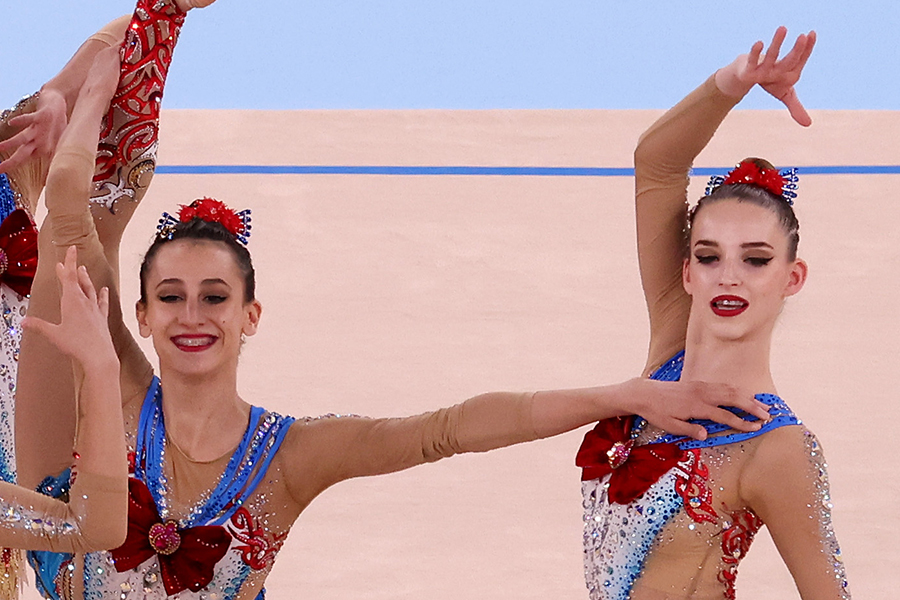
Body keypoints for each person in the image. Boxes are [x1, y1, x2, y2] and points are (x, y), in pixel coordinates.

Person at [13, 19, 777, 600]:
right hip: (41, 503)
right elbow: (76, 218)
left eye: (216, 297)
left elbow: (447, 431)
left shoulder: (290, 458)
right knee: (68, 231)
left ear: (251, 315)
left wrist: (625, 394)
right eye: (172, 298)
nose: (192, 317)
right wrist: (82, 102)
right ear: (143, 317)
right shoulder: (113, 382)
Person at [577, 28, 850, 599]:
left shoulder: (779, 447)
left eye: (756, 260)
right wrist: (734, 83)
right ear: (687, 273)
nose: (728, 275)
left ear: (790, 278)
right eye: (708, 256)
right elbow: (655, 164)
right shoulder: (665, 361)